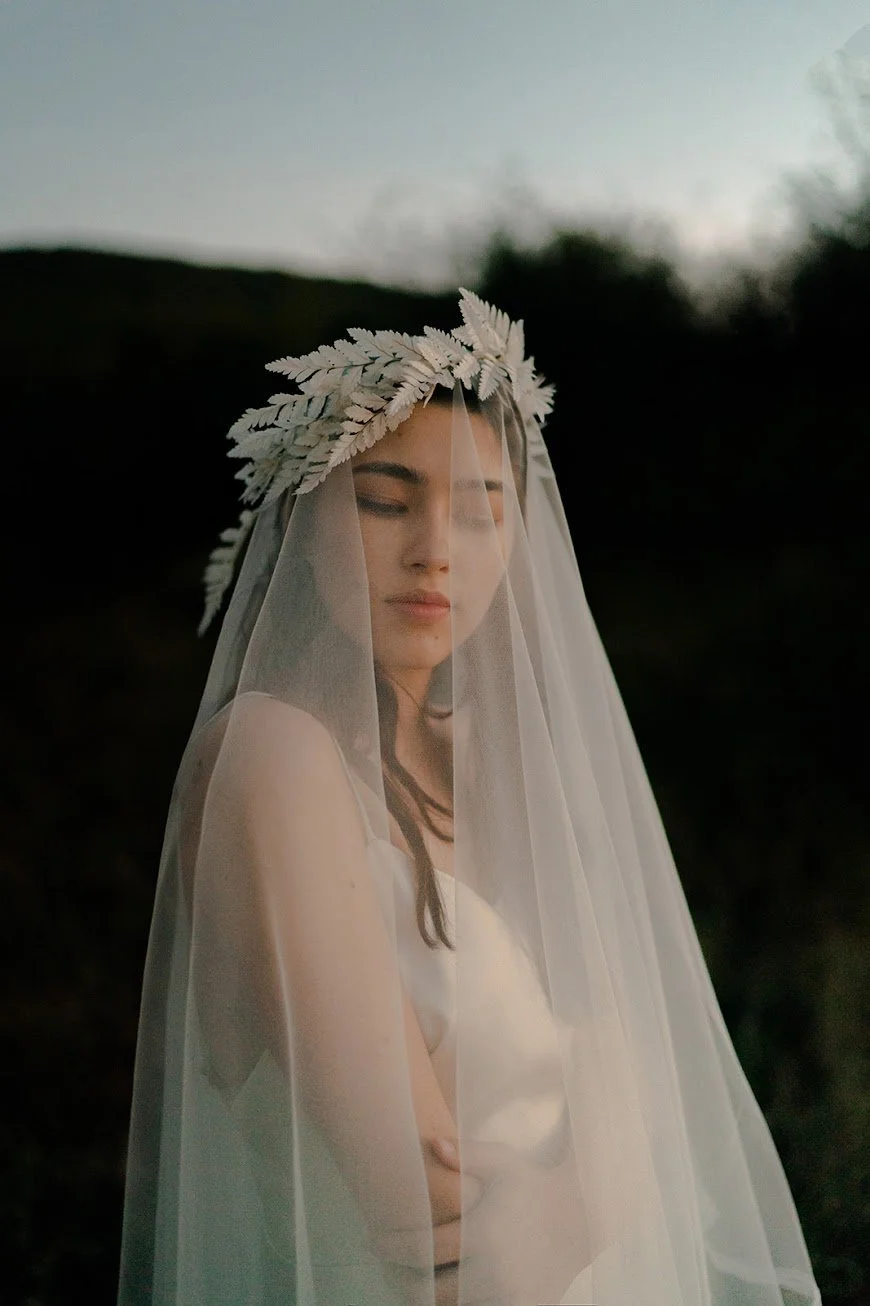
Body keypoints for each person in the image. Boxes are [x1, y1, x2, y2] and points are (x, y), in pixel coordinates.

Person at [118, 289, 822, 1305]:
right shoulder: (272, 760)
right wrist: (595, 1172)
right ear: (302, 516)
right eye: (384, 497)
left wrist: (572, 1193)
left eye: (483, 507)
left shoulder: (502, 766)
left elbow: (644, 1073)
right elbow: (423, 1214)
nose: (435, 548)